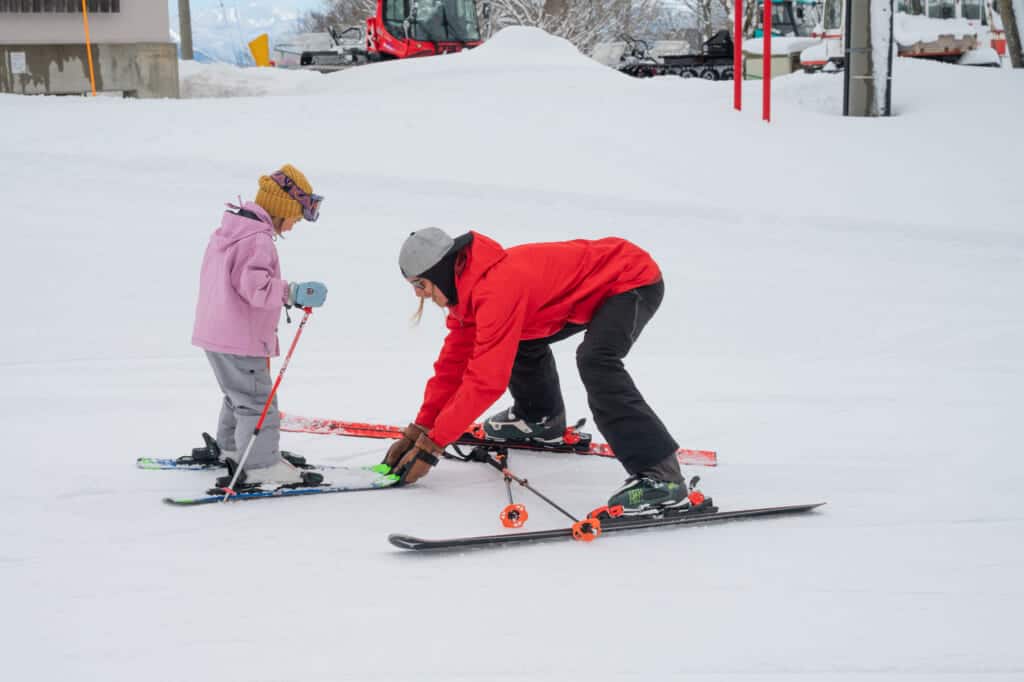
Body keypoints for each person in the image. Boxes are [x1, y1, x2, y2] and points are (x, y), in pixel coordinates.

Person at [384, 227, 687, 515]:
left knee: (596, 361)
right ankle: (539, 420)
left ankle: (662, 476)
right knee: (516, 340)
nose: (419, 295)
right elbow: (453, 367)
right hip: (582, 294)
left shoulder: (496, 289)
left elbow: (486, 381)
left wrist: (432, 446)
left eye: (420, 285)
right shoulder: (468, 295)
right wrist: (422, 428)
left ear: (439, 272)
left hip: (630, 278)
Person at [191, 164, 328, 487]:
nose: (295, 225)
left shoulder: (232, 231)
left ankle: (233, 447)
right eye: (296, 217)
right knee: (257, 402)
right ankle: (262, 465)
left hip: (216, 335)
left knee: (236, 396)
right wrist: (292, 292)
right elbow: (256, 288)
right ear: (283, 208)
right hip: (240, 338)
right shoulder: (257, 240)